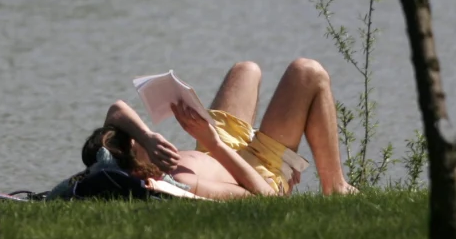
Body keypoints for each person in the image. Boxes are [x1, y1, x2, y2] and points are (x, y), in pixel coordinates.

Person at [84, 59, 359, 200]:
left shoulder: (157, 158)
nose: (139, 135)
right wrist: (214, 143)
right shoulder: (183, 183)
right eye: (135, 140)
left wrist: (148, 137)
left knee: (245, 69)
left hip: (215, 144)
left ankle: (233, 136)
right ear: (134, 161)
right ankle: (335, 186)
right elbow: (261, 197)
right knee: (308, 71)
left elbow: (116, 109)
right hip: (257, 166)